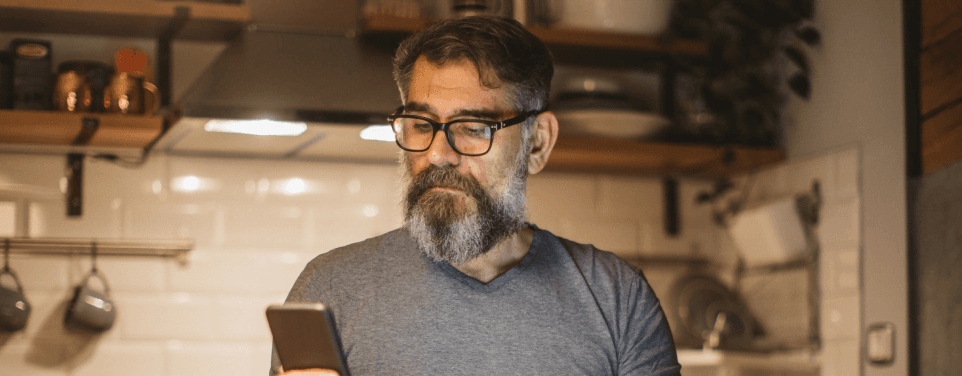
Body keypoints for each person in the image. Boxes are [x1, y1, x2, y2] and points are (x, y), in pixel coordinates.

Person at [272, 15, 681, 376]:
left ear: (537, 143)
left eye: (473, 127)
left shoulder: (618, 300)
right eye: (420, 123)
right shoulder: (329, 289)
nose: (437, 154)